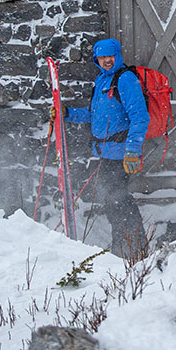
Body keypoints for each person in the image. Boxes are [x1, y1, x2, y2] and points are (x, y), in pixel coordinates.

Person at [64, 37, 147, 257]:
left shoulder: (125, 79)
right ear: (96, 59)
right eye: (102, 57)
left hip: (121, 154)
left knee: (118, 199)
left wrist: (133, 150)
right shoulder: (101, 81)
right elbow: (93, 116)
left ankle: (131, 247)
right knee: (113, 202)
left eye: (110, 56)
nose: (107, 60)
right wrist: (68, 114)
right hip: (104, 154)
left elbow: (139, 116)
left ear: (117, 55)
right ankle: (124, 245)